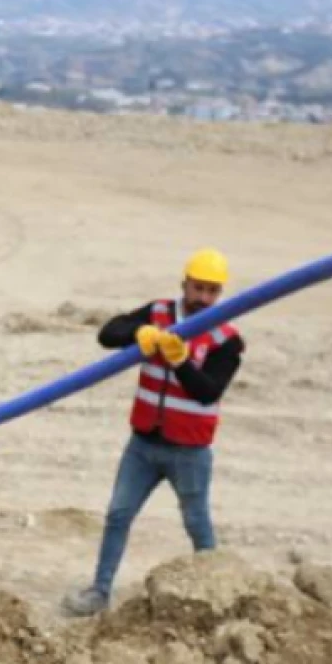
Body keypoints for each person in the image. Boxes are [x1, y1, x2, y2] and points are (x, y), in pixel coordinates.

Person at [63, 248, 245, 616]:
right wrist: (139, 331)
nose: (204, 298)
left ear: (220, 293)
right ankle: (99, 592)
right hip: (143, 444)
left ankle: (220, 599)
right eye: (198, 288)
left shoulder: (227, 338)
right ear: (185, 284)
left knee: (197, 525)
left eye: (212, 291)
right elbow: (108, 334)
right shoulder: (159, 314)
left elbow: (207, 391)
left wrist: (181, 362)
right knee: (118, 515)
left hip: (189, 452)